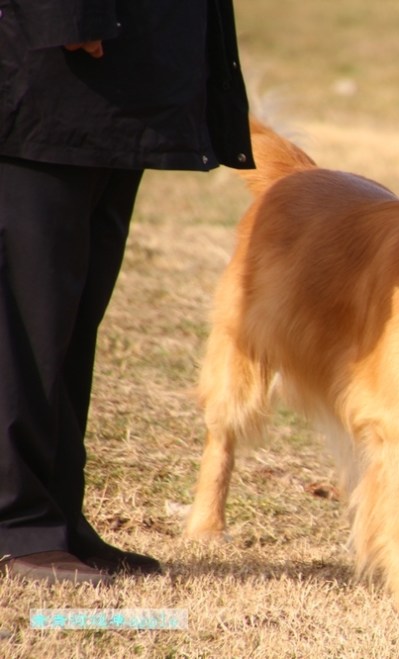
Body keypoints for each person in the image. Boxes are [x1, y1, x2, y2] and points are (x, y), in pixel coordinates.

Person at [0, 0, 254, 585]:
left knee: (66, 322)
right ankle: (16, 524)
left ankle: (56, 516)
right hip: (53, 68)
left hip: (124, 74)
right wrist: (65, 15)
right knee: (23, 320)